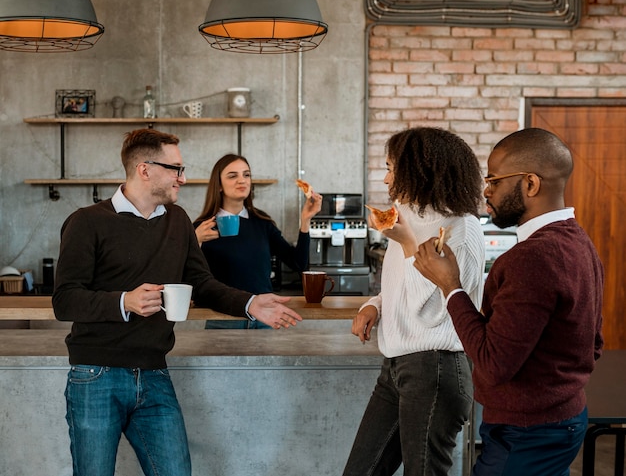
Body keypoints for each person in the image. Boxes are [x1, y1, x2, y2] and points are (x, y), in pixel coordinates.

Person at [52, 128, 302, 476]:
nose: (182, 179)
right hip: (96, 375)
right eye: (176, 169)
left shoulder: (178, 220)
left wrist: (250, 303)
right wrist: (126, 301)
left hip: (155, 373)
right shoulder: (87, 222)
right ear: (145, 169)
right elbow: (65, 300)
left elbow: (202, 283)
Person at [413, 127, 605, 476]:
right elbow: (593, 344)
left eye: (494, 180)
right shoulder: (579, 241)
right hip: (564, 419)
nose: (486, 191)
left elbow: (493, 362)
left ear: (530, 184)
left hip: (527, 434)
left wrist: (450, 286)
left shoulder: (531, 258)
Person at [343, 127, 485, 476]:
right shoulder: (408, 216)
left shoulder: (461, 230)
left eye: (392, 167)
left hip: (435, 367)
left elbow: (436, 310)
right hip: (396, 366)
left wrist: (408, 245)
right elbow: (401, 287)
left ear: (420, 170)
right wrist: (374, 304)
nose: (386, 177)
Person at [194, 153, 322, 329]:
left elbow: (298, 264)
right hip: (223, 318)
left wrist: (305, 220)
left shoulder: (263, 223)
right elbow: (188, 278)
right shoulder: (202, 228)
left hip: (264, 319)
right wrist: (195, 241)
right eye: (233, 176)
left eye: (246, 175)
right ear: (219, 186)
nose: (242, 180)